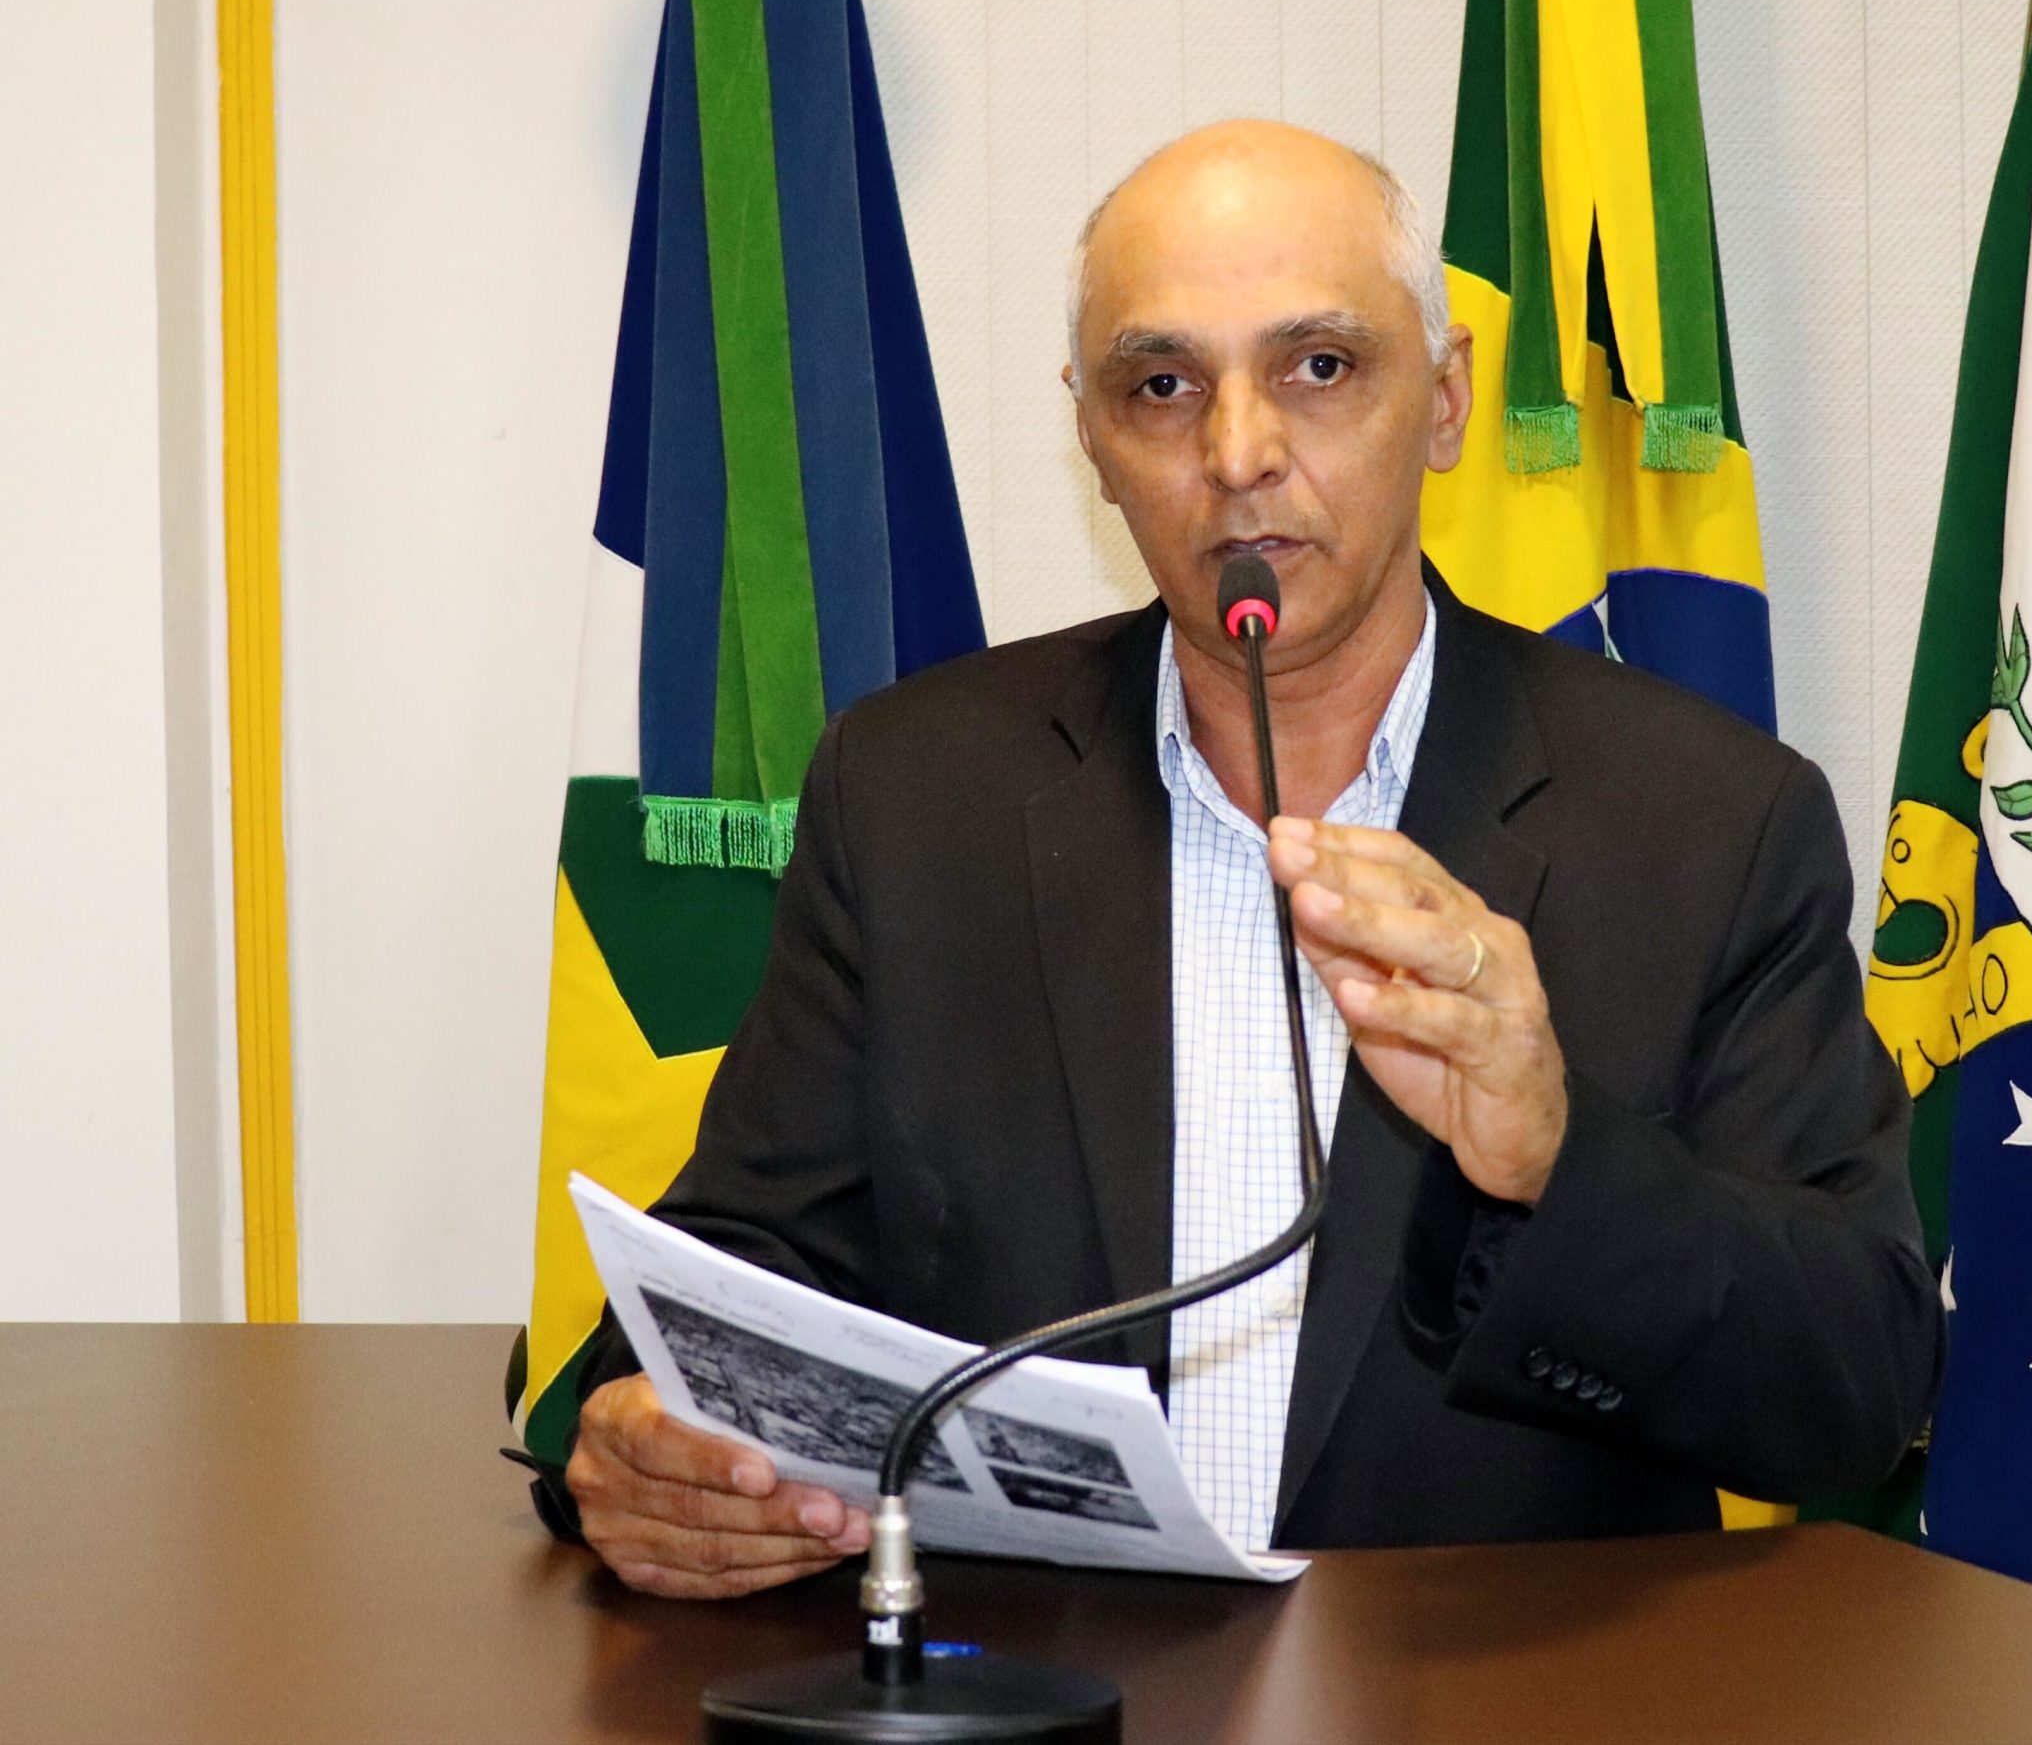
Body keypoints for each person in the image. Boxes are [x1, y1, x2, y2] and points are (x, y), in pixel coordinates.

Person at [555, 121, 1939, 1598]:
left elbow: (1857, 1385)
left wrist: (1556, 1154)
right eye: (1162, 386)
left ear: (1447, 401)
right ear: (1092, 438)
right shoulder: (915, 798)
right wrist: (645, 1442)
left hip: (1491, 1694)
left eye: (1317, 367)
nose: (1237, 453)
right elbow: (734, 1277)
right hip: (1042, 1683)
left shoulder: (1706, 820)